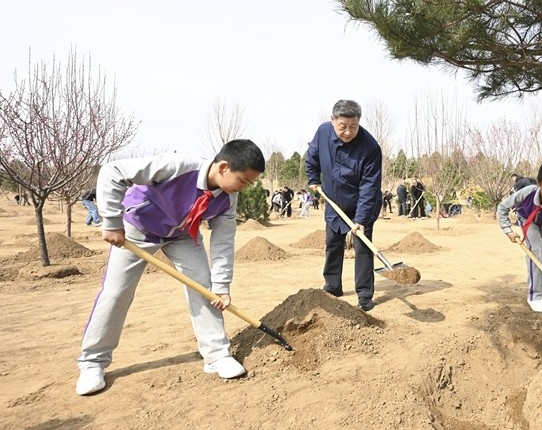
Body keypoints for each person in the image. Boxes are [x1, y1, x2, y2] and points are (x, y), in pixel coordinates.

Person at [75, 139, 265, 396]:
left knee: (205, 289)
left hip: (183, 235)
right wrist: (111, 221)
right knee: (116, 292)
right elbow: (113, 171)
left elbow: (223, 243)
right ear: (223, 167)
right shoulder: (177, 166)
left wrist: (221, 287)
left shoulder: (228, 199)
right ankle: (92, 363)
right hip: (138, 228)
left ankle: (217, 356)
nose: (244, 187)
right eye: (244, 181)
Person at [306, 99, 382, 312]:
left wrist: (362, 219)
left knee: (363, 248)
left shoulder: (370, 147)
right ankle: (333, 286)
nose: (348, 132)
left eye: (353, 126)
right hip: (333, 201)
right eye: (343, 126)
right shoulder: (322, 133)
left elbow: (370, 186)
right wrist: (313, 179)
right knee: (332, 244)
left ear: (359, 122)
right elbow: (311, 157)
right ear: (332, 121)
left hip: (362, 203)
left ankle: (365, 295)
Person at [498, 161, 542, 312]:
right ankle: (535, 295)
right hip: (527, 219)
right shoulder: (527, 192)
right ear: (540, 183)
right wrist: (507, 229)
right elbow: (502, 207)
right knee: (537, 250)